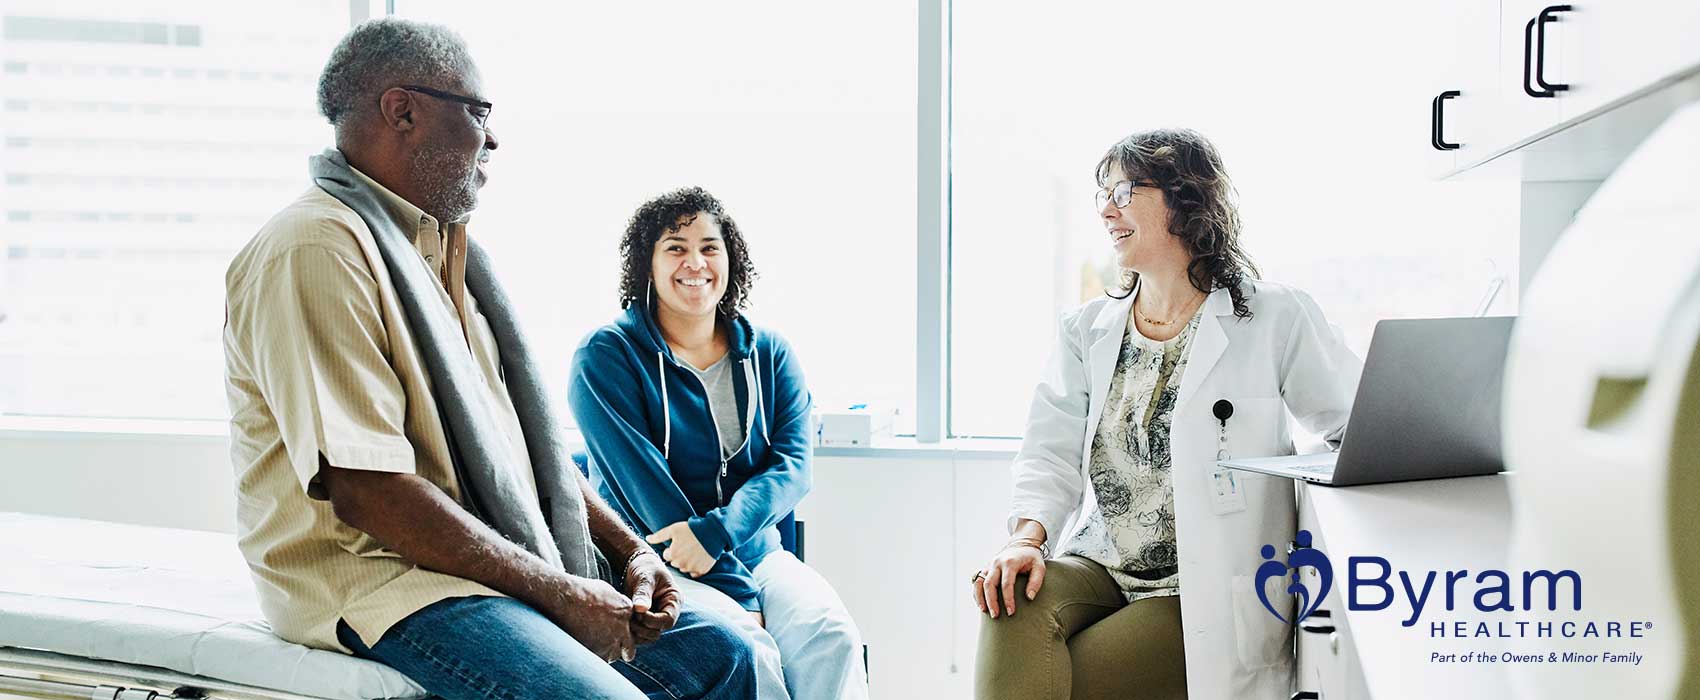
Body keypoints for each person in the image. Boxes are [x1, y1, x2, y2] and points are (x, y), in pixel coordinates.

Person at [222, 19, 754, 700]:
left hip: (486, 565)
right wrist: (561, 594)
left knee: (727, 656)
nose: (493, 137)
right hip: (390, 582)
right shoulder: (317, 249)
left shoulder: (451, 261)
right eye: (478, 112)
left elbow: (530, 457)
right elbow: (368, 490)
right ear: (403, 110)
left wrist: (633, 555)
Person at [971, 128, 1362, 699]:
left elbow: (1354, 424)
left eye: (1125, 190)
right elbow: (1048, 451)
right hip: (1101, 561)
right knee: (1008, 601)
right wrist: (1026, 539)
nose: (1106, 210)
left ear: (1185, 199)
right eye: (1102, 195)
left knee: (1060, 677)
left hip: (1201, 587)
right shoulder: (1087, 331)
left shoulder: (1272, 317)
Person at [569, 186, 869, 700]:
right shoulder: (605, 356)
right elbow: (645, 491)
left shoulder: (769, 352)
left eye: (710, 247)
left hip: (754, 550)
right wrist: (735, 588)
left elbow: (793, 467)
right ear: (647, 263)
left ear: (731, 259)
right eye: (675, 247)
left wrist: (721, 535)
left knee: (831, 636)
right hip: (656, 561)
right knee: (749, 649)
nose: (695, 262)